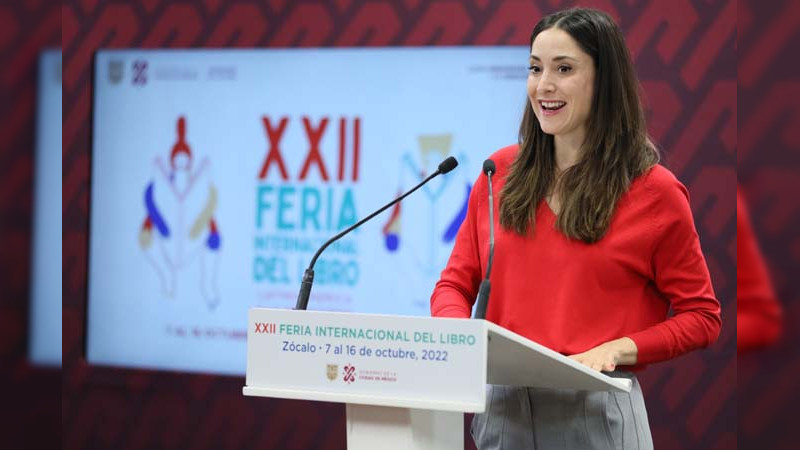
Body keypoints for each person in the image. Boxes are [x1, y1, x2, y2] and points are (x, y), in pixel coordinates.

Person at [430, 8, 722, 450]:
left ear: (604, 81)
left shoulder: (655, 192)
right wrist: (460, 337)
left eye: (563, 69)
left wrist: (619, 348)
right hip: (502, 412)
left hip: (595, 412)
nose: (543, 85)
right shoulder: (498, 173)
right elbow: (453, 285)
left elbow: (702, 317)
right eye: (534, 68)